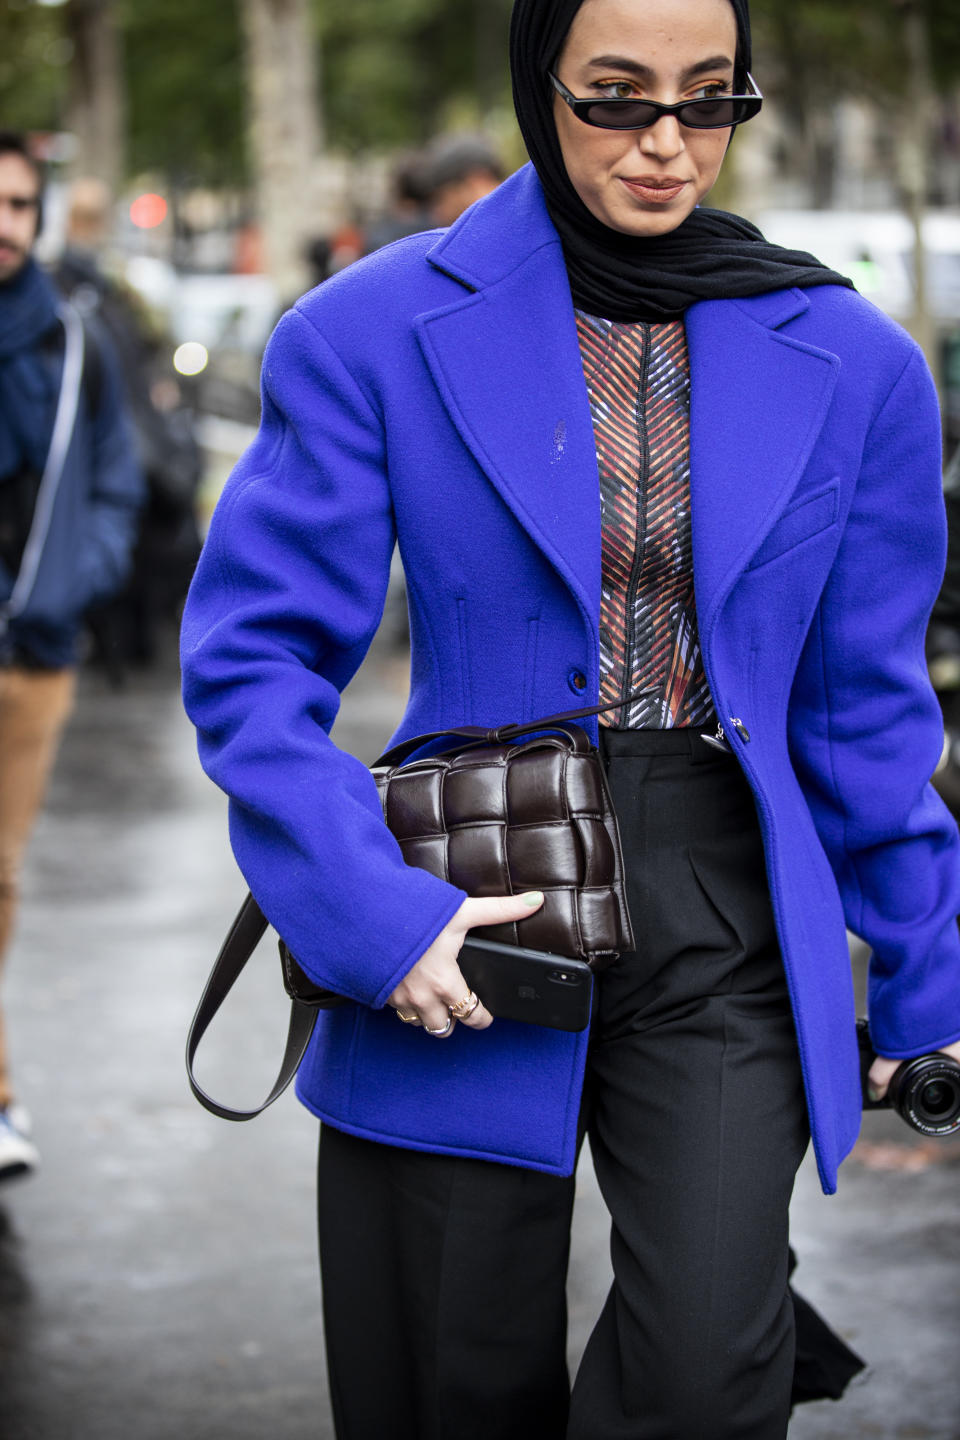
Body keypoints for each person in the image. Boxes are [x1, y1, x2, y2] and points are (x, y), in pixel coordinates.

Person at [180, 0, 960, 1435]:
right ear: (541, 89)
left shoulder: (856, 362)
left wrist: (926, 980)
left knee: (705, 1373)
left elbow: (866, 714)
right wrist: (368, 913)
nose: (668, 143)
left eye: (709, 99)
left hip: (726, 908)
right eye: (617, 97)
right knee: (448, 1384)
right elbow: (255, 665)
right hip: (462, 903)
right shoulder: (370, 328)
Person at [0, 134, 143, 1180]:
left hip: (33, 646)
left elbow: (114, 479)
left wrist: (71, 582)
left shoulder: (73, 339)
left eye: (17, 204)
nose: (4, 225)